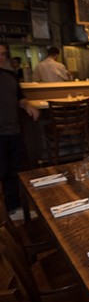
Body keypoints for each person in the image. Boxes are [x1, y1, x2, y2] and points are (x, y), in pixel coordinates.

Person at [0, 42, 40, 213]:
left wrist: (27, 105)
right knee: (3, 172)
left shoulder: (10, 75)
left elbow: (19, 97)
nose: (1, 57)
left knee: (17, 171)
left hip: (14, 129)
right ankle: (9, 210)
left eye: (3, 54)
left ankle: (17, 208)